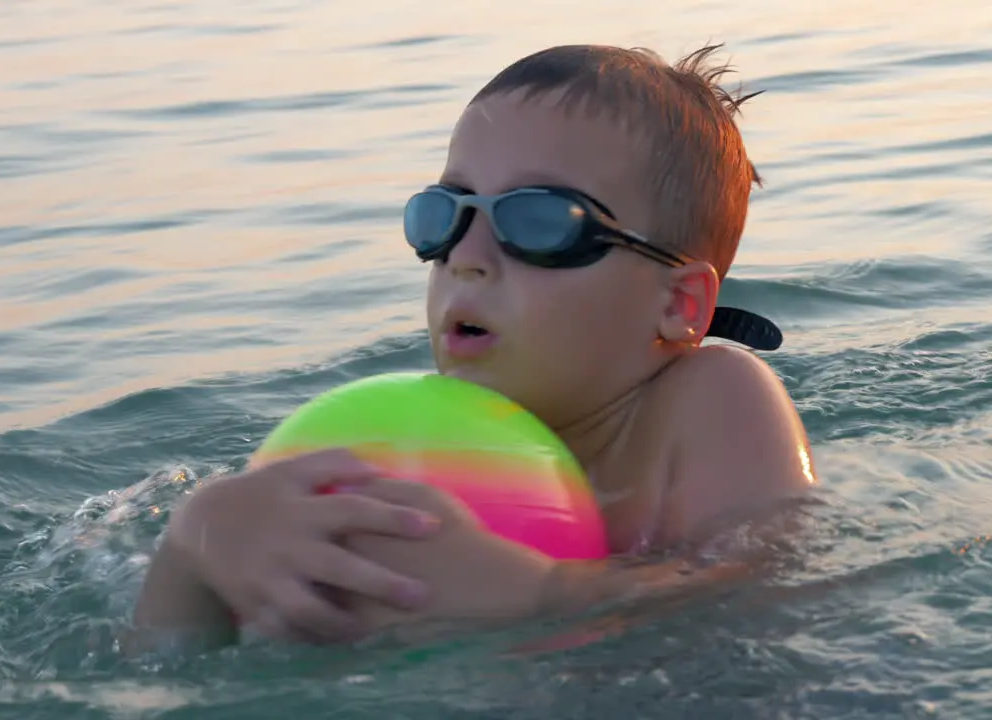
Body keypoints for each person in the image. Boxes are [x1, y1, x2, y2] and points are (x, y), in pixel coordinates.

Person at [128, 43, 816, 654]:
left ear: (677, 305)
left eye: (541, 221)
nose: (467, 257)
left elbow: (761, 592)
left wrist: (541, 596)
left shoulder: (710, 399)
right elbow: (162, 675)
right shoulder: (403, 443)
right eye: (445, 216)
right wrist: (200, 545)